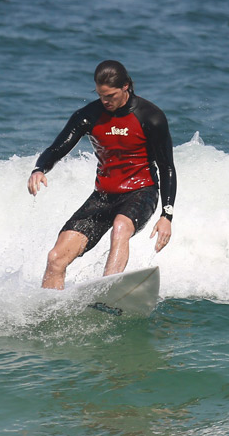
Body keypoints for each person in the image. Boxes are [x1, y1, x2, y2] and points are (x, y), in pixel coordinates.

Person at [27, 60, 177, 290]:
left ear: (126, 86)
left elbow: (167, 167)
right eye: (100, 95)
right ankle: (48, 310)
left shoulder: (151, 117)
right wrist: (39, 169)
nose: (105, 101)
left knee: (120, 226)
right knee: (56, 258)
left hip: (141, 191)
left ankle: (108, 291)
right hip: (103, 197)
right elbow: (57, 148)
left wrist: (167, 215)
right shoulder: (88, 116)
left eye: (110, 95)